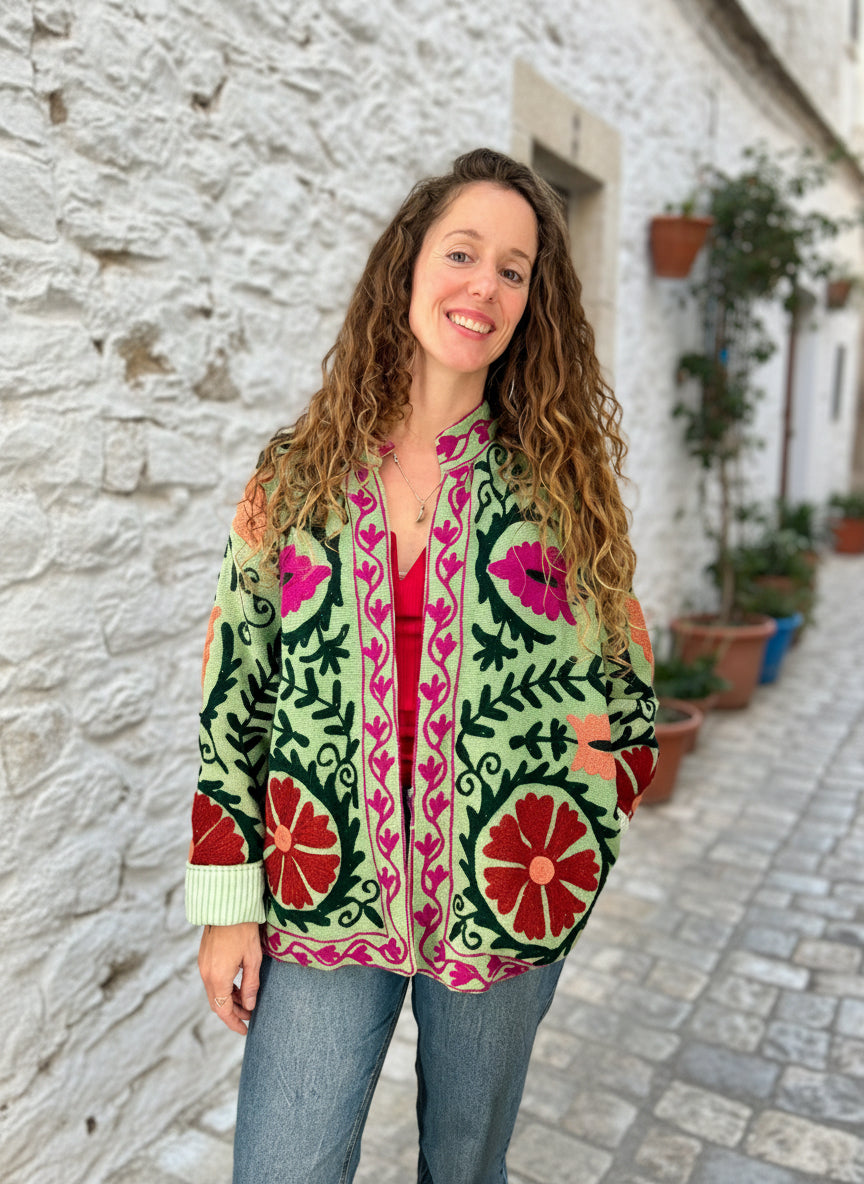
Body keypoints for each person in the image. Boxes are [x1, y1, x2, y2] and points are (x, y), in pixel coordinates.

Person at [186, 147, 657, 1184]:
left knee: (466, 1168)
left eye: (513, 270)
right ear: (408, 266)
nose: (483, 285)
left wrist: (571, 855)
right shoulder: (297, 475)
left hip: (505, 904)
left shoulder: (562, 491)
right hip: (320, 892)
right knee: (282, 1166)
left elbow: (626, 697)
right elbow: (235, 689)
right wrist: (227, 901)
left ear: (532, 304)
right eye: (462, 253)